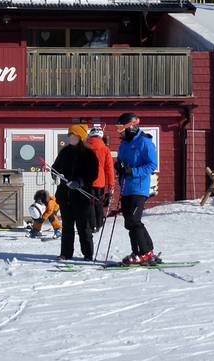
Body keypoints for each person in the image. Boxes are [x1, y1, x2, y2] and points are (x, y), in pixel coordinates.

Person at [108, 112, 159, 265]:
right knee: (129, 223)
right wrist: (119, 166)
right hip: (126, 188)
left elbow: (152, 165)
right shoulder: (124, 144)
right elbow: (121, 161)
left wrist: (133, 171)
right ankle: (140, 252)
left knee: (134, 220)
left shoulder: (145, 142)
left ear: (131, 127)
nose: (119, 132)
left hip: (139, 187)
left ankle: (145, 253)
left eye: (121, 128)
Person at [52, 123, 99, 261]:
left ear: (80, 136)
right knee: (67, 226)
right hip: (65, 195)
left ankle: (88, 254)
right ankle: (66, 253)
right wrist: (55, 174)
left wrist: (80, 182)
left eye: (72, 135)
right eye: (69, 135)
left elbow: (93, 174)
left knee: (83, 226)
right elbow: (56, 167)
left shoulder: (89, 154)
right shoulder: (64, 152)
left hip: (81, 197)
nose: (70, 138)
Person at [85, 123, 115, 232]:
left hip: (86, 181)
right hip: (100, 181)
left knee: (89, 203)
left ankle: (91, 224)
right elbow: (109, 169)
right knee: (98, 203)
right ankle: (99, 223)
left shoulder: (84, 147)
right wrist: (111, 185)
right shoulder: (105, 149)